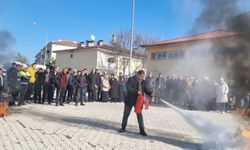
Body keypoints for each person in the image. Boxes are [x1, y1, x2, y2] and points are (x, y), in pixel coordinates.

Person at [119, 70, 153, 136]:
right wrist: (137, 92)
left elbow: (146, 89)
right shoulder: (131, 79)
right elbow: (128, 88)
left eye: (144, 76)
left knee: (139, 115)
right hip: (129, 100)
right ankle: (123, 127)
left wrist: (150, 93)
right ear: (138, 75)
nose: (143, 78)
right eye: (142, 76)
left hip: (138, 101)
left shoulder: (144, 81)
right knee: (126, 114)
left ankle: (142, 130)